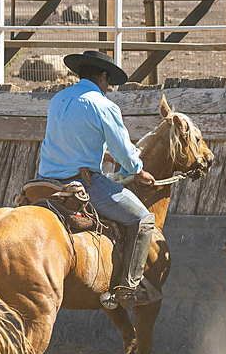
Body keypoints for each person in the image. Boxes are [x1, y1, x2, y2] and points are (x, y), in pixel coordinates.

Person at [37, 50, 156, 309]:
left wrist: (103, 154)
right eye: (109, 81)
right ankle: (128, 287)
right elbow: (125, 151)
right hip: (83, 183)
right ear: (102, 77)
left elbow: (72, 140)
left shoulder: (57, 99)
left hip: (44, 181)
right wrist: (138, 170)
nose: (110, 87)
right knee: (144, 220)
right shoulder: (103, 106)